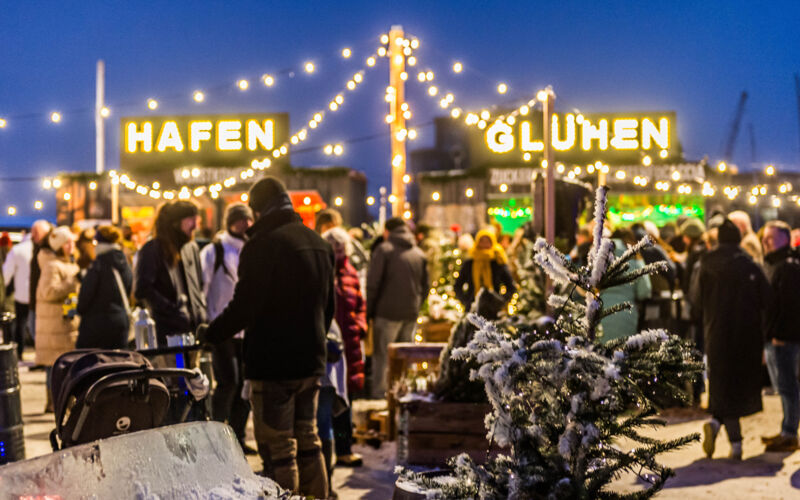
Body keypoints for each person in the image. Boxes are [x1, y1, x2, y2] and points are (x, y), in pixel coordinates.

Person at [199, 177, 334, 498]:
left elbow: (245, 306)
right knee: (308, 440)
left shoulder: (262, 245)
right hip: (311, 359)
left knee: (279, 449)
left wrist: (212, 334)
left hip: (274, 364)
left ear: (259, 210)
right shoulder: (318, 243)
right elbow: (328, 307)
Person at [690, 218, 772, 460]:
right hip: (747, 335)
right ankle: (734, 442)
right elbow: (767, 299)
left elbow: (695, 301)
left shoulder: (705, 263)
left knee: (720, 384)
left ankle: (718, 426)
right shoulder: (749, 264)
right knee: (736, 386)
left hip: (715, 332)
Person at [199, 203, 255, 455]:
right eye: (240, 220)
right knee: (228, 381)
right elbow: (203, 286)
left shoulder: (253, 249)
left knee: (245, 384)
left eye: (248, 219)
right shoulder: (215, 251)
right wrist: (205, 321)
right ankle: (215, 436)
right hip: (221, 325)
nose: (245, 224)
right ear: (230, 222)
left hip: (246, 329)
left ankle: (238, 436)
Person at [366, 217, 427, 399]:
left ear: (386, 231)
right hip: (410, 312)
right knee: (405, 358)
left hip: (386, 313)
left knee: (383, 357)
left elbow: (372, 285)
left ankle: (380, 396)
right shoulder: (418, 253)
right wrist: (416, 304)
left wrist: (369, 312)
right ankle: (403, 395)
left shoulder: (384, 250)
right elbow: (426, 286)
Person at [321, 226, 366, 467]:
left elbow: (360, 303)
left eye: (341, 249)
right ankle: (327, 453)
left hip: (350, 343)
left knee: (346, 402)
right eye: (334, 249)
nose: (338, 253)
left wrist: (360, 326)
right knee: (330, 400)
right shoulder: (321, 272)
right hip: (329, 345)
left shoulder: (351, 273)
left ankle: (344, 448)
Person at [134, 201, 206, 345]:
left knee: (192, 367)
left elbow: (198, 285)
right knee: (178, 366)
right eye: (191, 219)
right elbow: (143, 289)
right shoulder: (153, 249)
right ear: (176, 222)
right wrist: (172, 311)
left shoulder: (191, 248)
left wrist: (200, 313)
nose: (195, 225)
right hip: (169, 335)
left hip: (192, 331)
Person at [760, 220, 800, 451]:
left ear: (785, 239)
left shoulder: (788, 267)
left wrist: (780, 334)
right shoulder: (774, 264)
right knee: (782, 385)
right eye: (764, 238)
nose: (765, 242)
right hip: (774, 336)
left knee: (787, 386)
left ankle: (789, 433)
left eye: (770, 238)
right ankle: (786, 430)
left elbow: (790, 306)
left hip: (783, 337)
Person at [35, 226, 80, 412]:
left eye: (72, 242)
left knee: (63, 365)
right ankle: (54, 403)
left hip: (65, 324)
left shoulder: (69, 263)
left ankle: (60, 402)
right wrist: (72, 282)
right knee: (55, 367)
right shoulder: (52, 266)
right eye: (67, 242)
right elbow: (48, 292)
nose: (71, 246)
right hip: (54, 325)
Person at [76, 226, 133, 349]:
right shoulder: (124, 262)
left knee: (96, 365)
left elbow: (84, 299)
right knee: (119, 363)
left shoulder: (99, 266)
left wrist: (79, 309)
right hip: (121, 321)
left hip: (97, 326)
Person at [599, 228, 652, 343]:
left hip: (601, 311)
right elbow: (645, 291)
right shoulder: (634, 259)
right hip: (626, 313)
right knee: (622, 352)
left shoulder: (601, 260)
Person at [454, 229, 516, 310]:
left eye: (488, 241)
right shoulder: (469, 263)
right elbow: (457, 285)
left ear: (493, 242)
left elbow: (511, 286)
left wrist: (501, 301)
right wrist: (466, 301)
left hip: (494, 310)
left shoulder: (498, 261)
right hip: (472, 307)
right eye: (482, 241)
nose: (484, 244)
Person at [3, 227, 36, 358]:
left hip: (21, 294)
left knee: (21, 324)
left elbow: (7, 273)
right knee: (35, 324)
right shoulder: (39, 249)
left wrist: (5, 288)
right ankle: (37, 351)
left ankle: (20, 352)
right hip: (36, 294)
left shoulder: (17, 250)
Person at [28, 220, 53, 347]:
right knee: (34, 331)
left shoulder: (48, 250)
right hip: (36, 299)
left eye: (36, 232)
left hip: (44, 300)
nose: (33, 236)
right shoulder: (36, 248)